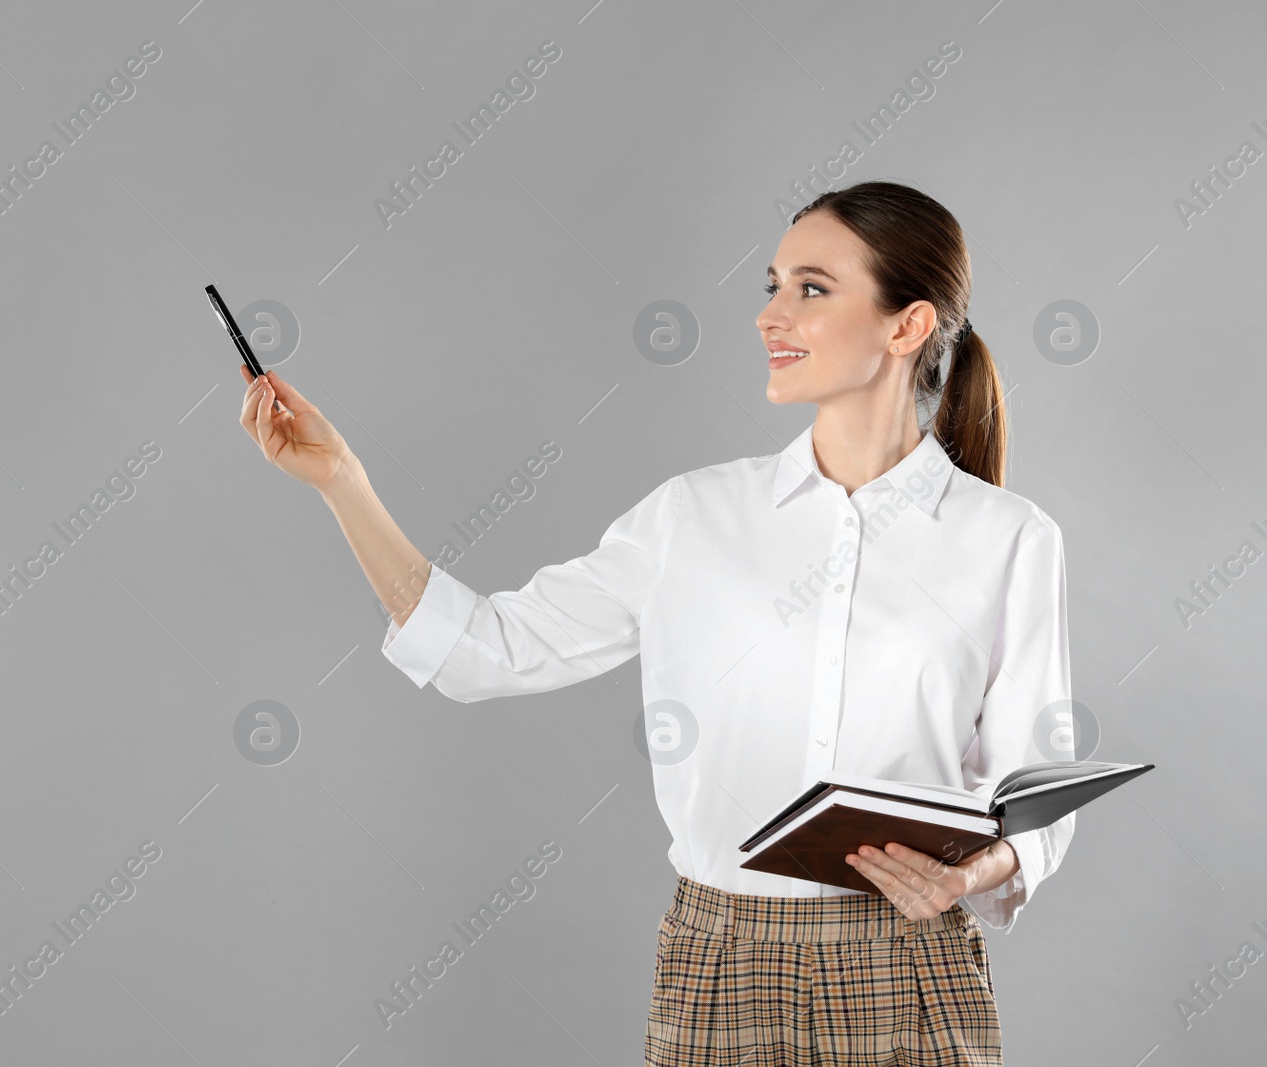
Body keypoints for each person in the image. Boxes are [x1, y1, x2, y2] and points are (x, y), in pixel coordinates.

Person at [237, 180, 1073, 1066]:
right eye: (772, 285)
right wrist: (344, 484)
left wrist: (968, 872)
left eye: (811, 289)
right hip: (722, 960)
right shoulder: (691, 517)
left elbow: (1035, 792)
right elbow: (485, 651)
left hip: (907, 961)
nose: (770, 316)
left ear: (907, 325)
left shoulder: (1008, 540)